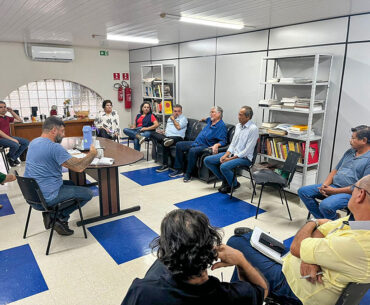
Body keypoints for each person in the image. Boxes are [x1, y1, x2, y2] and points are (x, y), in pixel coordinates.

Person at [228, 175, 370, 305]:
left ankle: (238, 297)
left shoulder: (355, 244)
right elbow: (322, 230)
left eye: (353, 188)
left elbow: (298, 246)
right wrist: (308, 258)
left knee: (237, 242)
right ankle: (241, 296)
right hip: (303, 266)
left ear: (360, 194)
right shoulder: (361, 223)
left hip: (297, 289)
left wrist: (313, 222)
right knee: (251, 243)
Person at [121, 209, 268, 305]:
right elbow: (262, 291)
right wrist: (241, 261)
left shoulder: (142, 292)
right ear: (211, 247)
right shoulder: (234, 296)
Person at [24, 116, 97, 236]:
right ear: (53, 130)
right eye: (62, 131)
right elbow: (79, 167)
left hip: (32, 195)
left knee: (72, 184)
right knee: (88, 193)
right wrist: (92, 154)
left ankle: (53, 216)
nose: (63, 135)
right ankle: (58, 218)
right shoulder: (54, 147)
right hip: (46, 197)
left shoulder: (33, 142)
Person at [298, 125, 370, 220]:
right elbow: (334, 171)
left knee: (325, 205)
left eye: (353, 138)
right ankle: (326, 221)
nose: (350, 140)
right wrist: (324, 186)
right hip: (334, 186)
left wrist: (334, 191)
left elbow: (360, 187)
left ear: (364, 140)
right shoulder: (350, 152)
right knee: (303, 191)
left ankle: (331, 226)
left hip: (350, 193)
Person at [204, 106, 258, 193]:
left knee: (224, 166)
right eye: (238, 114)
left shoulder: (253, 129)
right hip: (233, 154)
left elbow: (246, 151)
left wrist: (229, 159)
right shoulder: (238, 126)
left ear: (248, 117)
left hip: (245, 158)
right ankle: (227, 181)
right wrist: (225, 155)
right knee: (207, 160)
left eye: (241, 115)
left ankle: (234, 184)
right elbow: (233, 144)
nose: (238, 117)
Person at [169, 106, 228, 182]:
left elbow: (223, 141)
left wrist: (216, 145)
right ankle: (179, 169)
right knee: (179, 145)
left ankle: (188, 174)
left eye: (213, 112)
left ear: (219, 114)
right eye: (210, 112)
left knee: (193, 151)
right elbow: (206, 119)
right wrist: (203, 119)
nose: (211, 114)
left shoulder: (221, 126)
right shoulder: (210, 120)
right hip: (196, 142)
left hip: (205, 145)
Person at [152, 105, 188, 172]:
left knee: (165, 143)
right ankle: (164, 139)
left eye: (179, 111)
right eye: (175, 111)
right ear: (172, 111)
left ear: (181, 111)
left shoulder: (183, 119)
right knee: (153, 133)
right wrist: (163, 132)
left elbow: (178, 127)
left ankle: (165, 165)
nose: (177, 113)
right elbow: (168, 129)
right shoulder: (169, 119)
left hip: (178, 137)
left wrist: (173, 119)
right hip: (168, 137)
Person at [0, 101, 29, 167]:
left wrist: (11, 111)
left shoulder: (6, 117)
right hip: (1, 139)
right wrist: (11, 139)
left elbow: (20, 120)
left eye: (5, 107)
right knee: (15, 145)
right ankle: (12, 158)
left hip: (8, 137)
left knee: (26, 142)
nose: (3, 108)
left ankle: (12, 157)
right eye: (1, 107)